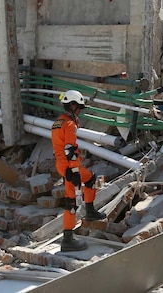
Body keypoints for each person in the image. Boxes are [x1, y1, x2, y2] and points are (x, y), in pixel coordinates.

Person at [51, 89, 107, 252]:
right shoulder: (69, 124)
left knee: (90, 178)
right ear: (73, 105)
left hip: (62, 164)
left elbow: (59, 147)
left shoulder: (58, 122)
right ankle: (67, 240)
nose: (80, 112)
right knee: (71, 202)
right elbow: (70, 148)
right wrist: (74, 172)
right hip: (69, 166)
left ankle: (90, 211)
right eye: (79, 108)